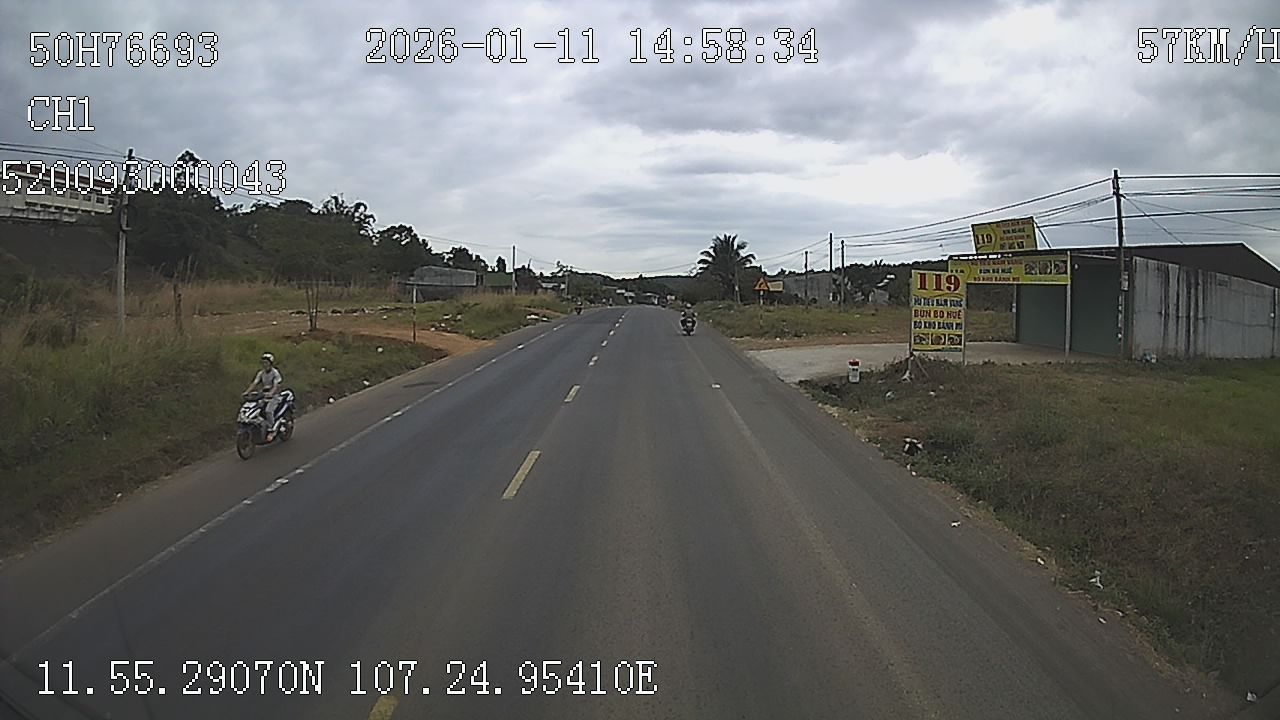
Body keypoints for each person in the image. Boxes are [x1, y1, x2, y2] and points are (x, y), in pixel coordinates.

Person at [244, 352, 283, 438]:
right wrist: (247, 392)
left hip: (274, 396)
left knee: (268, 411)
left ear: (270, 363)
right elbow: (254, 383)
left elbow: (276, 386)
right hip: (263, 396)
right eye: (263, 363)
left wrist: (271, 393)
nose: (265, 365)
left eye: (266, 362)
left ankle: (272, 429)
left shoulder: (275, 373)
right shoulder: (261, 373)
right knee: (256, 409)